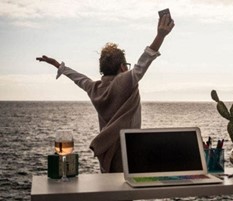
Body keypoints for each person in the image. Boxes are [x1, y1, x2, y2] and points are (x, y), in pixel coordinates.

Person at [36, 14, 175, 173]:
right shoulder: (127, 81)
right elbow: (145, 59)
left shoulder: (94, 88)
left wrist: (58, 66)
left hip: (107, 156)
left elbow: (79, 78)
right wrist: (160, 35)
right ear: (123, 67)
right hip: (130, 157)